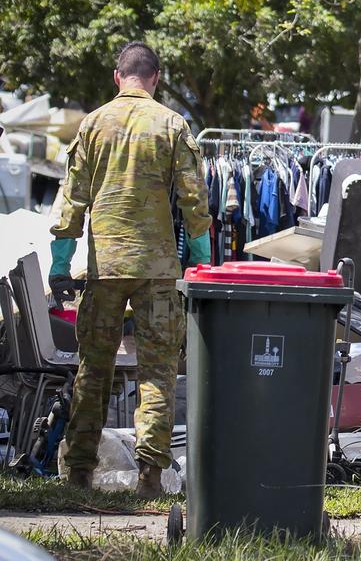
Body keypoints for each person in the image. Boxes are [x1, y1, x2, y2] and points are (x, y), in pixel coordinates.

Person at [49, 42, 211, 497]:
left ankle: (79, 472)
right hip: (158, 270)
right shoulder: (172, 124)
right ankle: (150, 475)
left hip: (104, 269)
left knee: (93, 369)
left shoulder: (93, 124)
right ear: (156, 78)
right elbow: (195, 203)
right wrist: (198, 263)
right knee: (157, 373)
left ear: (117, 77)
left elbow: (70, 202)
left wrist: (60, 265)